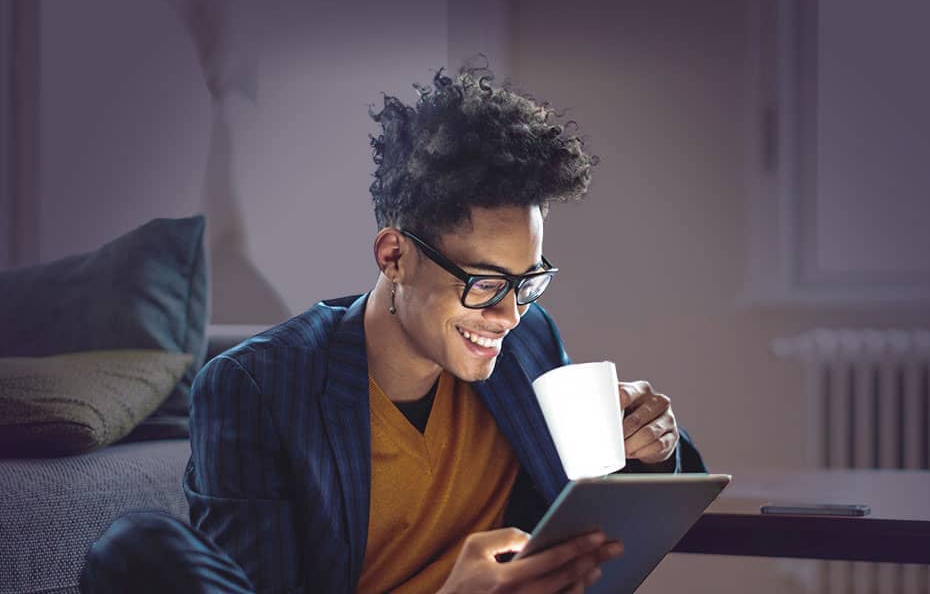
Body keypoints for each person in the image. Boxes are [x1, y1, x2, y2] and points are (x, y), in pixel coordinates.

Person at [81, 63, 706, 593]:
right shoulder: (258, 387)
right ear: (393, 257)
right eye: (485, 283)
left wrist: (654, 448)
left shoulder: (529, 341)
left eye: (527, 281)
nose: (509, 315)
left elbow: (594, 510)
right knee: (135, 547)